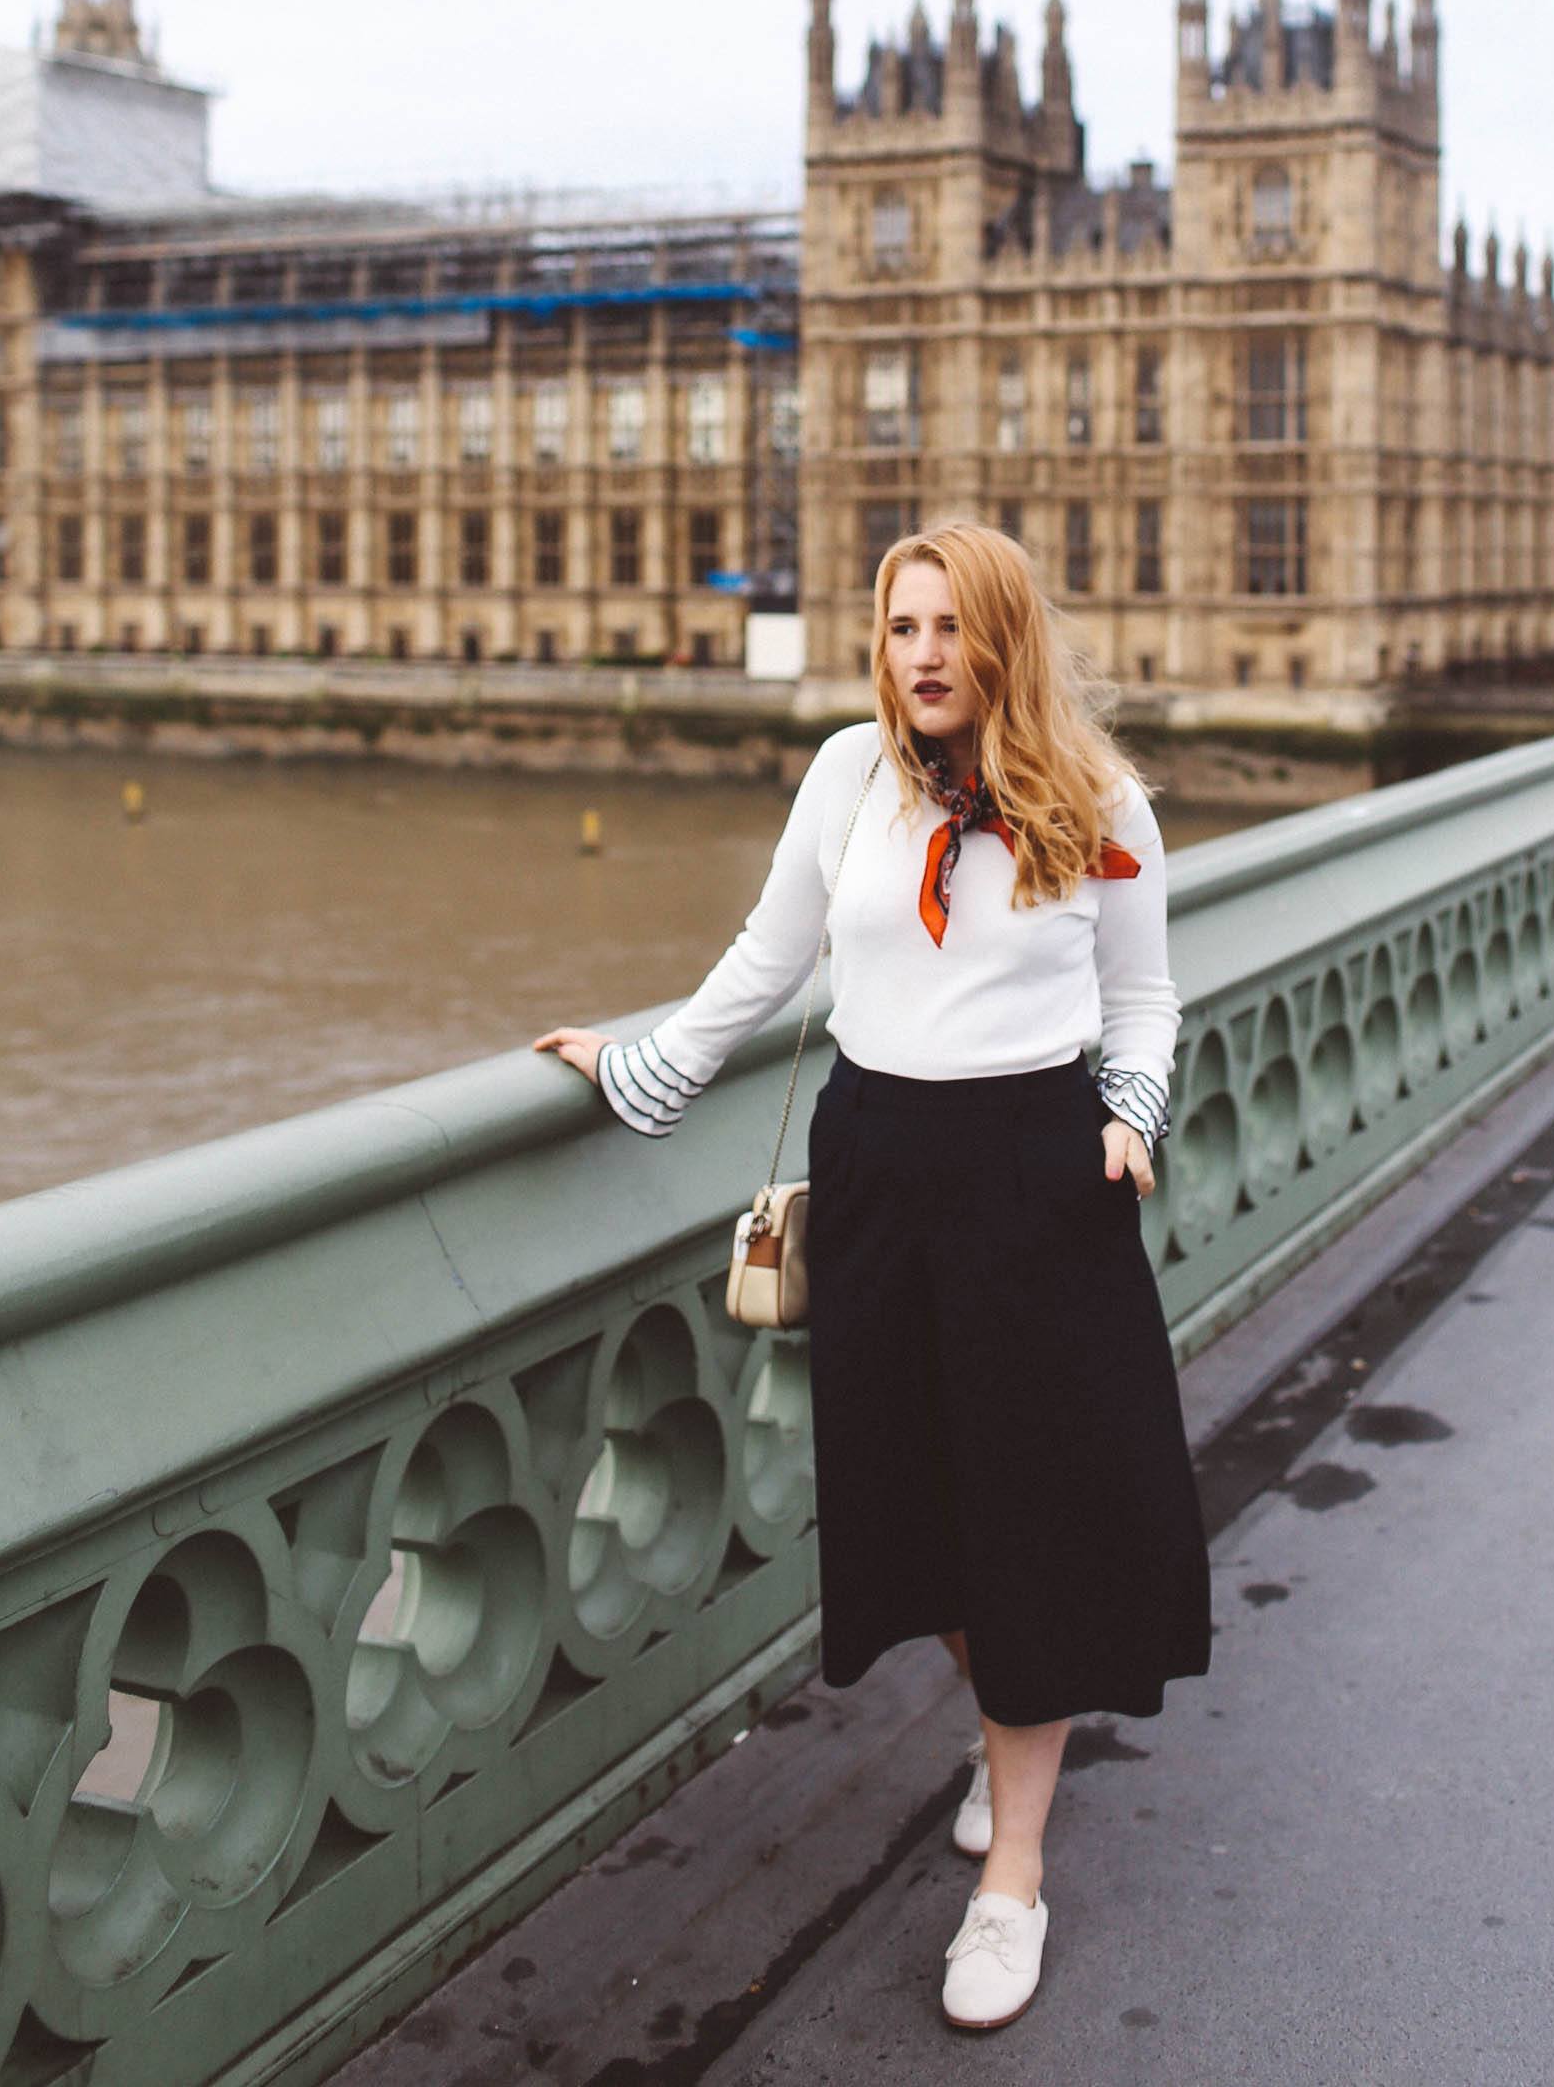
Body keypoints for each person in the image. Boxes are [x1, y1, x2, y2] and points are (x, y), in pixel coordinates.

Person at [534, 517, 1211, 2033]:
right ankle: (1006, 1726)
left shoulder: (1099, 800)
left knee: (1026, 1528)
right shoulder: (847, 774)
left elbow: (1146, 997)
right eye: (901, 627)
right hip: (881, 1176)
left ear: (1003, 641)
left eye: (950, 629)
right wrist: (638, 1066)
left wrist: (1130, 1119)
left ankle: (1012, 1878)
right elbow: (767, 961)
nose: (921, 656)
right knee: (921, 1516)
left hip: (1037, 1179)